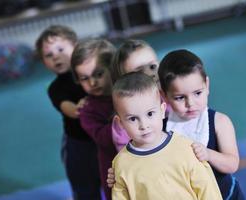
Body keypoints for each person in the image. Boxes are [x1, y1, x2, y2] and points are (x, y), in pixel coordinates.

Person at [111, 72, 222, 200]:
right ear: (121, 123)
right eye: (133, 119)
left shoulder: (186, 148)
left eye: (150, 114)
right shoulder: (121, 163)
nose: (144, 125)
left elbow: (207, 190)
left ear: (162, 110)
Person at [158, 49, 245, 199]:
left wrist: (208, 154)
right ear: (164, 96)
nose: (190, 103)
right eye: (180, 97)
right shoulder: (161, 128)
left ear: (207, 85)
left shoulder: (220, 122)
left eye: (197, 93)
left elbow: (232, 164)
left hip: (226, 196)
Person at [35, 25, 101, 200]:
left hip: (105, 135)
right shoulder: (55, 88)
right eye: (49, 55)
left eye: (61, 49)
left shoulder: (92, 71)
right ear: (44, 63)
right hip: (79, 143)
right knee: (84, 185)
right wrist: (78, 108)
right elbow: (66, 107)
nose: (56, 56)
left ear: (76, 47)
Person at [71, 39, 117, 200]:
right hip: (114, 168)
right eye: (84, 78)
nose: (92, 82)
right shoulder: (87, 111)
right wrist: (126, 118)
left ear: (112, 67)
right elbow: (104, 138)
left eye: (98, 74)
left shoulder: (131, 90)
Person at [111, 39, 165, 151]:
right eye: (139, 72)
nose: (150, 74)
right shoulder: (125, 120)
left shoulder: (171, 97)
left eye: (152, 66)